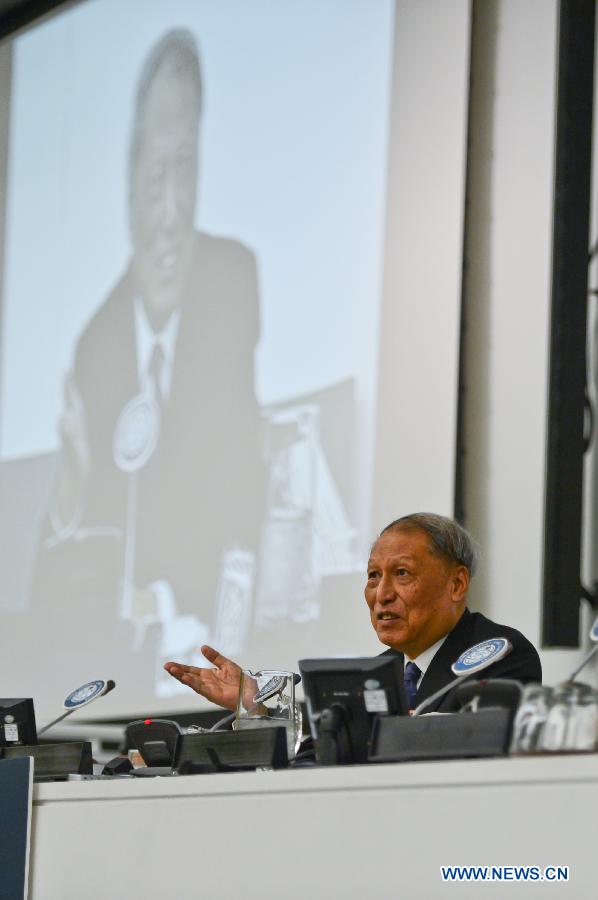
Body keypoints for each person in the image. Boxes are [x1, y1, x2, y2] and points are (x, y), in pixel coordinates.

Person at [31, 30, 265, 679]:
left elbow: (236, 478)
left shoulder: (233, 279)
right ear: (127, 183)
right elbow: (89, 555)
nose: (169, 212)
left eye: (185, 168)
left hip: (223, 653)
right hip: (129, 672)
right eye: (153, 176)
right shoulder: (93, 346)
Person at [164, 512, 542, 713]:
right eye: (373, 576)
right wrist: (255, 708)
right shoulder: (376, 674)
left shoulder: (499, 655)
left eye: (402, 574)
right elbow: (317, 757)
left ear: (456, 584)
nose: (382, 594)